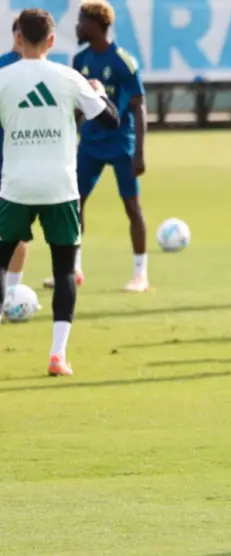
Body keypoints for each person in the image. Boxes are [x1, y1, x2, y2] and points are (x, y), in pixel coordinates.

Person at [0, 8, 120, 375]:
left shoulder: (3, 78)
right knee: (65, 269)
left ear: (18, 38)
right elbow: (111, 120)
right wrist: (97, 92)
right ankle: (57, 355)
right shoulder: (70, 78)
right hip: (60, 187)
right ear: (51, 41)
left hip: (16, 186)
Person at [42, 0, 149, 292]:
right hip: (90, 143)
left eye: (81, 21)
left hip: (120, 144)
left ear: (96, 24)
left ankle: (141, 274)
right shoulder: (81, 60)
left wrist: (140, 152)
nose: (77, 26)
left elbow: (139, 107)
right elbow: (78, 106)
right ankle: (73, 269)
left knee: (131, 205)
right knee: (75, 204)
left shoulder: (123, 61)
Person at [0, 19, 30, 290]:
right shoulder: (2, 67)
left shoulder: (43, 71)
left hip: (21, 164)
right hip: (11, 162)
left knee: (17, 232)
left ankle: (12, 291)